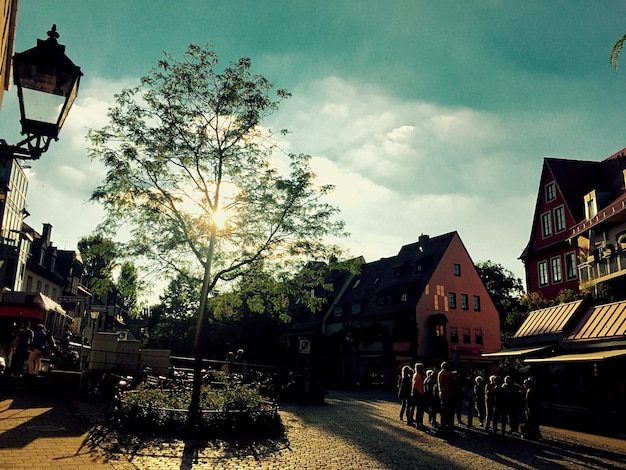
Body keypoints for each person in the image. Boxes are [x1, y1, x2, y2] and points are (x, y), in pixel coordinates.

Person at [437, 361, 457, 435]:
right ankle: (449, 427)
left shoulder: (439, 373)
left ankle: (443, 426)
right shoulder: (448, 374)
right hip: (449, 394)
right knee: (450, 412)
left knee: (444, 412)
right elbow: (454, 382)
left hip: (442, 394)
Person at [410, 363, 426, 428]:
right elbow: (415, 385)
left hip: (417, 393)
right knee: (420, 410)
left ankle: (418, 422)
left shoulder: (415, 375)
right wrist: (413, 392)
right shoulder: (419, 375)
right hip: (419, 393)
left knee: (419, 409)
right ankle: (419, 423)